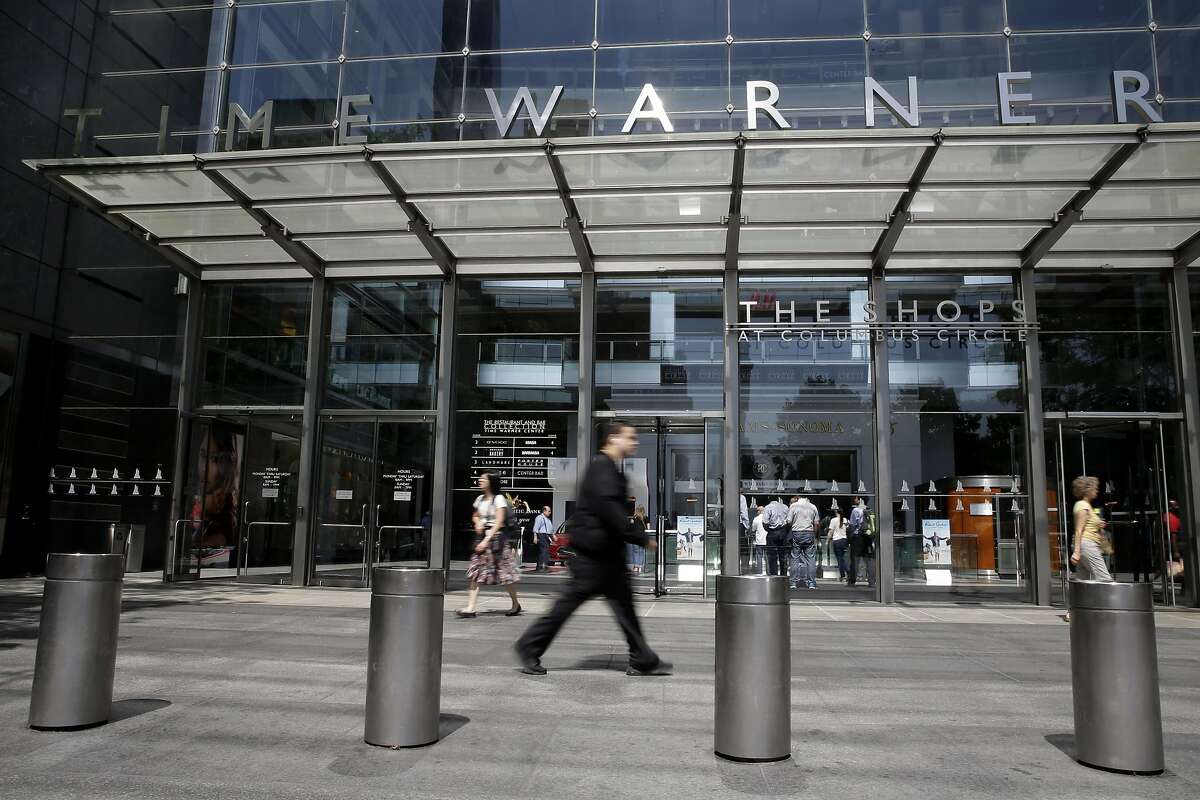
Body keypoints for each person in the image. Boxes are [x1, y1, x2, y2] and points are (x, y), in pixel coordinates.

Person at [515, 421, 671, 677]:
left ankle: (642, 657)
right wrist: (641, 538)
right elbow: (611, 511)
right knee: (567, 605)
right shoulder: (602, 468)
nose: (635, 442)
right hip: (594, 559)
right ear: (613, 439)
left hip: (606, 557)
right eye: (629, 438)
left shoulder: (609, 470)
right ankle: (529, 646)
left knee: (624, 606)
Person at [458, 472, 522, 619]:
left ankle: (515, 604)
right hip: (482, 539)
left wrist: (486, 540)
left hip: (497, 542)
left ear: (491, 482)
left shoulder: (499, 499)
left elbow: (499, 521)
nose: (480, 480)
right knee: (475, 572)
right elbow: (475, 515)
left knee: (506, 574)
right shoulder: (480, 499)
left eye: (483, 479)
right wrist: (477, 522)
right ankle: (471, 607)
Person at [1070, 475, 1113, 583]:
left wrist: (1098, 524)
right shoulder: (1083, 506)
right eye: (1095, 488)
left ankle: (1080, 600)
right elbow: (1079, 529)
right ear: (1087, 490)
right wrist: (1077, 551)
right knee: (1105, 579)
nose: (1097, 491)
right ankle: (1109, 600)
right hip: (1087, 545)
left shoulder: (1086, 506)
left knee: (1082, 581)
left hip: (1085, 545)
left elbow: (1087, 524)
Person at [787, 495, 820, 589]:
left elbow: (788, 521)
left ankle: (793, 582)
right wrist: (814, 534)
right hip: (809, 532)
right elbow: (816, 523)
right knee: (810, 559)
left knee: (794, 558)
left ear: (798, 498)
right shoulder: (813, 506)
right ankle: (811, 583)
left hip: (796, 532)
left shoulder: (794, 506)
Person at [761, 497, 791, 577]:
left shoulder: (767, 507)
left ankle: (774, 575)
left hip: (772, 532)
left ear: (769, 499)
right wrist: (785, 531)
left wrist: (770, 531)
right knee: (783, 556)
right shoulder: (785, 507)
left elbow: (765, 522)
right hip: (783, 532)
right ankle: (783, 575)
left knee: (772, 556)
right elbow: (789, 521)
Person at [847, 497, 866, 586]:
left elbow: (853, 525)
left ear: (859, 500)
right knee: (869, 559)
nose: (854, 499)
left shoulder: (855, 510)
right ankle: (871, 579)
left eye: (855, 498)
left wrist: (850, 538)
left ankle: (852, 579)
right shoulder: (868, 510)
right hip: (867, 536)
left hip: (857, 536)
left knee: (854, 558)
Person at [828, 507, 850, 582]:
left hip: (837, 541)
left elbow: (830, 531)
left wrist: (827, 540)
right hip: (844, 540)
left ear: (836, 512)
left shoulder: (833, 520)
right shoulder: (845, 519)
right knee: (842, 558)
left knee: (840, 559)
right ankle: (845, 574)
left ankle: (845, 574)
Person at [533, 505, 554, 572]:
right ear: (544, 511)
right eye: (549, 511)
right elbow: (535, 528)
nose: (550, 512)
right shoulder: (539, 518)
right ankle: (542, 567)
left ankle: (542, 566)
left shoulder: (548, 519)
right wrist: (535, 537)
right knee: (544, 551)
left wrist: (553, 536)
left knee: (545, 551)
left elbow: (550, 529)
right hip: (541, 535)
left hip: (547, 536)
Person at [628, 506, 648, 574]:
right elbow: (648, 528)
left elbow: (631, 527)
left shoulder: (634, 518)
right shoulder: (646, 518)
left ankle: (636, 567)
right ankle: (641, 567)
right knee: (642, 552)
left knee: (636, 552)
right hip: (643, 537)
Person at [750, 506, 768, 575]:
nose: (756, 512)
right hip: (767, 541)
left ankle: (759, 572)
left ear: (760, 511)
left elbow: (753, 529)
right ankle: (769, 573)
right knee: (767, 557)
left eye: (757, 511)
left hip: (759, 541)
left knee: (759, 557)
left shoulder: (756, 519)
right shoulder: (767, 518)